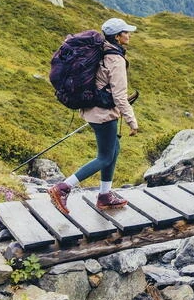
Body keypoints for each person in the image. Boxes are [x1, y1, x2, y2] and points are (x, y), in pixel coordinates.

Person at [49, 17, 140, 213]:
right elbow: (120, 96)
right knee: (105, 157)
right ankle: (63, 188)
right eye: (126, 32)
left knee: (114, 149)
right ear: (117, 36)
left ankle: (105, 195)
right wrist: (133, 122)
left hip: (94, 109)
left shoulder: (101, 49)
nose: (129, 35)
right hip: (103, 114)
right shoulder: (115, 59)